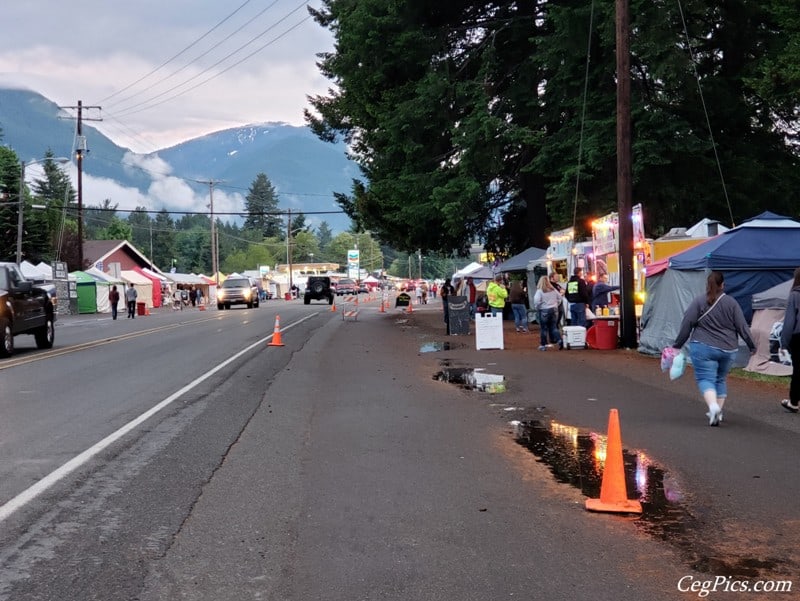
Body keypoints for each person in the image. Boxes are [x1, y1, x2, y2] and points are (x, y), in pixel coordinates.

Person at [672, 271, 756, 426]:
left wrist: (677, 345)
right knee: (720, 378)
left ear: (707, 284)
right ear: (723, 284)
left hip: (703, 347)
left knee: (705, 378)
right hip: (728, 349)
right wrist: (752, 346)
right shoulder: (731, 303)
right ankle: (718, 412)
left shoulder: (698, 302)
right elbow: (742, 326)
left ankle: (713, 407)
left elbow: (687, 324)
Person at [779, 267, 800, 413]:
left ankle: (794, 402)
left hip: (799, 337)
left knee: (798, 371)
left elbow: (789, 322)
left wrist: (783, 342)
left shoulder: (795, 295)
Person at [533, 275, 563, 351]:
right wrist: (556, 304)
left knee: (544, 328)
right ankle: (559, 340)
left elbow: (536, 301)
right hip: (554, 309)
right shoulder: (553, 289)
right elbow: (560, 297)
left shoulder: (540, 291)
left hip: (544, 310)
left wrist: (538, 307)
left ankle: (543, 345)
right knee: (553, 327)